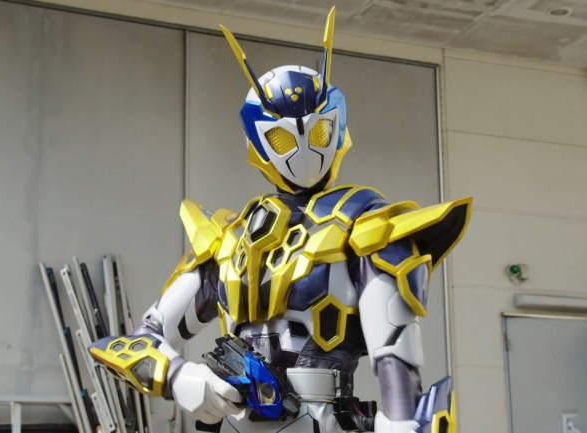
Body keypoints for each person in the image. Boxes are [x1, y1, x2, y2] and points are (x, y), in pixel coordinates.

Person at [89, 7, 471, 433]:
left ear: (336, 126)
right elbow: (133, 343)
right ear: (258, 140)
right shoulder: (228, 242)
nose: (304, 148)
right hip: (236, 420)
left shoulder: (366, 228)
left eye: (318, 131)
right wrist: (183, 379)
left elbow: (396, 364)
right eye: (282, 138)